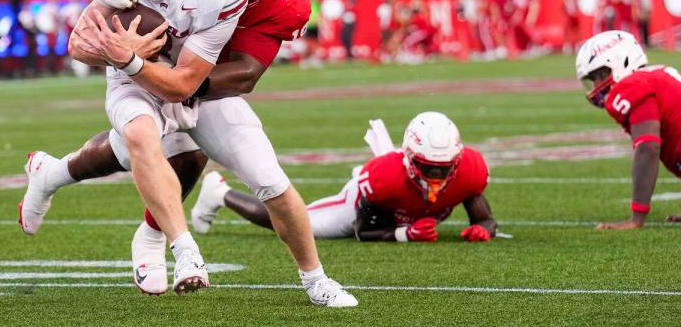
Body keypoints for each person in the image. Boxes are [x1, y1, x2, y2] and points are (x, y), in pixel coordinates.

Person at [20, 0, 358, 307]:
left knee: (268, 178)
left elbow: (245, 75)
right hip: (143, 73)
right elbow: (89, 8)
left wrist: (184, 84)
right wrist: (121, 43)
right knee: (141, 143)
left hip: (198, 79)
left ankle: (315, 278)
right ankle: (156, 238)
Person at [21, 0, 247, 295]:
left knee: (185, 156)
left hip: (181, 76)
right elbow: (78, 45)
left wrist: (133, 58)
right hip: (128, 75)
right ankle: (185, 252)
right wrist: (119, 52)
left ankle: (51, 175)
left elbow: (184, 84)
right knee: (141, 137)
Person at [193, 112, 497, 243]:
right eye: (428, 166)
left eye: (444, 168)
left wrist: (483, 229)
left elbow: (484, 219)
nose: (437, 175)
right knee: (297, 223)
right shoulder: (384, 178)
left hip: (403, 207)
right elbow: (363, 232)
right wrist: (405, 234)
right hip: (359, 205)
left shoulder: (470, 171)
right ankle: (219, 192)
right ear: (409, 157)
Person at [575, 30, 681, 230]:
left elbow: (648, 146)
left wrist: (636, 218)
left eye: (601, 75)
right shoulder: (656, 74)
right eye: (593, 78)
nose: (597, 84)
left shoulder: (632, 85)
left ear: (622, 62)